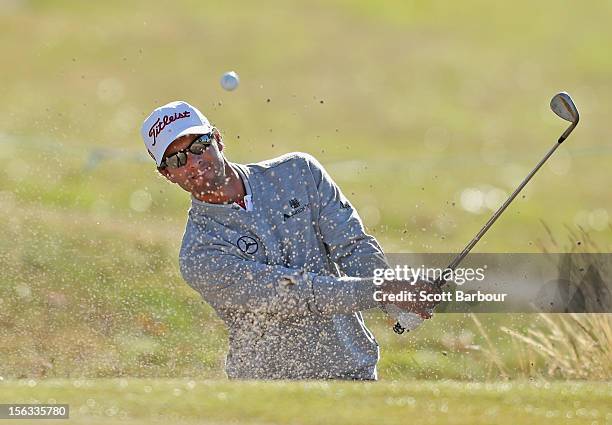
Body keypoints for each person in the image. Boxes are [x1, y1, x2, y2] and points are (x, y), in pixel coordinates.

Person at [140, 100, 439, 380]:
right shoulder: (199, 254)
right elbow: (299, 294)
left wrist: (394, 300)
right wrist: (383, 290)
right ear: (166, 174)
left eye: (199, 145)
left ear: (217, 139)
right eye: (178, 159)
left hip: (352, 369)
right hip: (270, 390)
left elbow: (353, 245)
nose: (193, 162)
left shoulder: (298, 173)